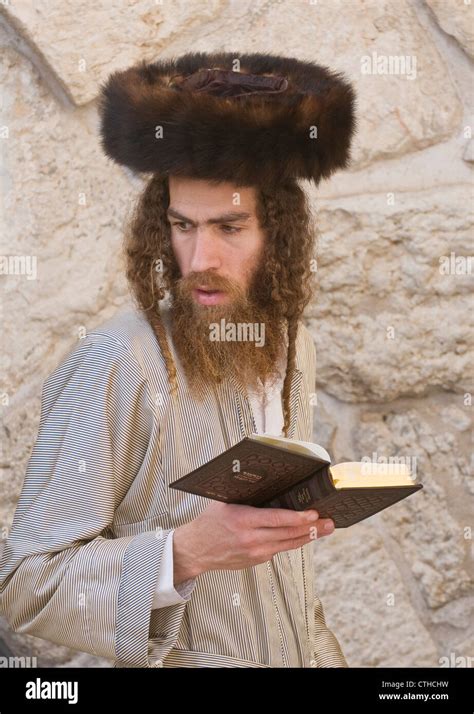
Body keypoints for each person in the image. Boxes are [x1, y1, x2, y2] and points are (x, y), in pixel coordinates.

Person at [0, 51, 356, 668]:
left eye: (229, 228)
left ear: (281, 232)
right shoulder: (118, 359)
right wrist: (187, 551)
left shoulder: (294, 344)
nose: (198, 259)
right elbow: (25, 584)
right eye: (182, 225)